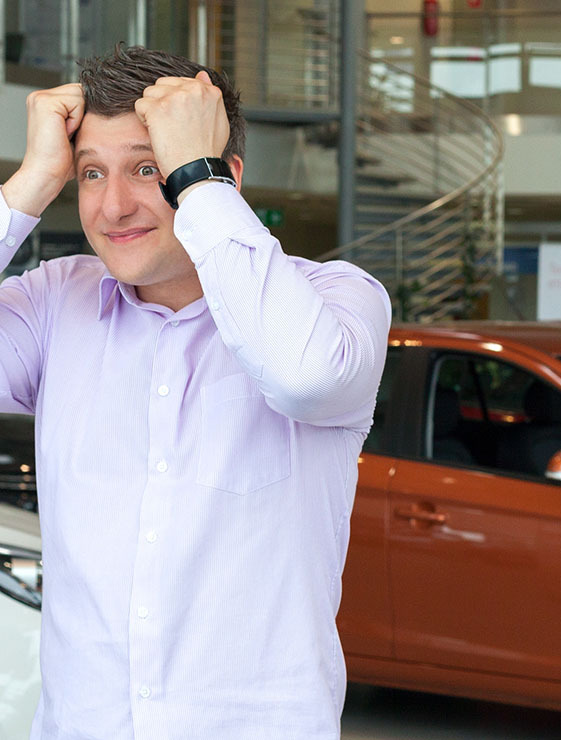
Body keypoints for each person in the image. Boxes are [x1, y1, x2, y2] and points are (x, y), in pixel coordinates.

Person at [0, 46, 391, 739]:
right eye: (91, 173)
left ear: (223, 176)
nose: (113, 205)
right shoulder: (56, 304)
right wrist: (28, 183)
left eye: (148, 168)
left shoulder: (332, 300)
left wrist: (200, 181)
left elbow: (305, 376)